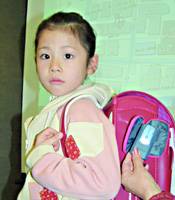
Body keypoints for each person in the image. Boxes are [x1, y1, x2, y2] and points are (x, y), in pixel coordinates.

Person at [17, 12, 121, 200]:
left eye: (67, 55)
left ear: (91, 63)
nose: (54, 65)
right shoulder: (57, 108)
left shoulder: (81, 109)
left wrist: (41, 158)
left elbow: (102, 183)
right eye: (45, 55)